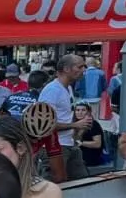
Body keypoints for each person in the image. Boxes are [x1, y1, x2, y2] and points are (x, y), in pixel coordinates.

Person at [38, 54, 92, 183]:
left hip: (69, 144)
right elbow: (44, 124)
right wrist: (76, 125)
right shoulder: (52, 90)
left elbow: (65, 117)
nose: (83, 70)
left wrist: (78, 130)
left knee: (82, 183)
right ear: (67, 69)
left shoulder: (68, 88)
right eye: (80, 67)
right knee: (54, 185)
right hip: (54, 147)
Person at [75, 103, 108, 171]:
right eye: (77, 110)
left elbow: (97, 144)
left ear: (88, 112)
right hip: (78, 158)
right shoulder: (75, 124)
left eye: (83, 110)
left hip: (90, 159)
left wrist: (81, 143)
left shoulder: (93, 124)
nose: (80, 112)